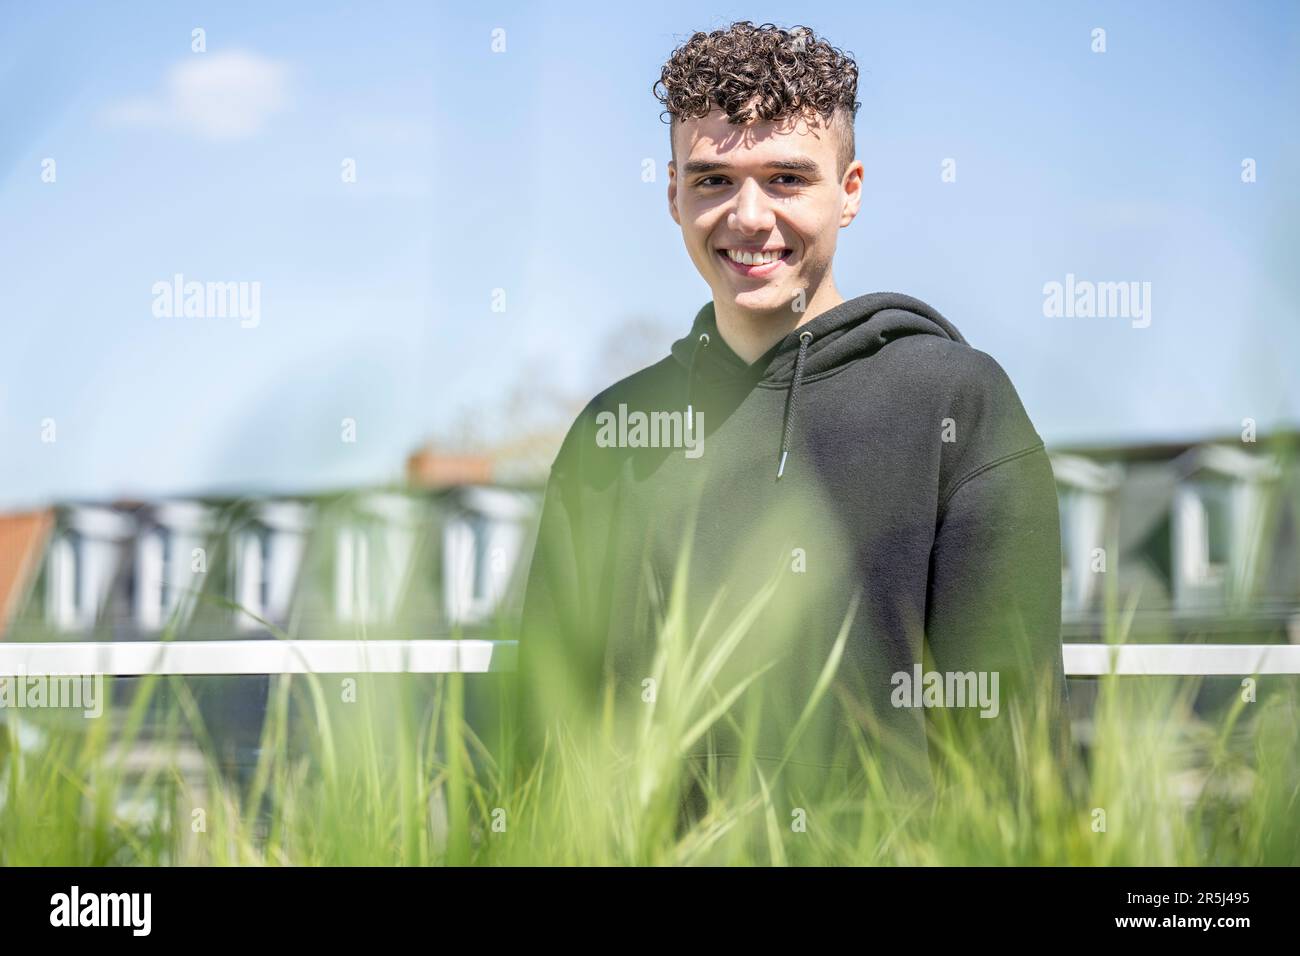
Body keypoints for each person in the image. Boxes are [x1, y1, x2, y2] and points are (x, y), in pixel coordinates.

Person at [513, 20, 1069, 813]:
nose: (747, 216)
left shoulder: (958, 405)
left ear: (849, 192)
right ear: (673, 195)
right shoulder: (613, 434)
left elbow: (1013, 757)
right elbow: (545, 750)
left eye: (785, 179)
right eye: (712, 180)